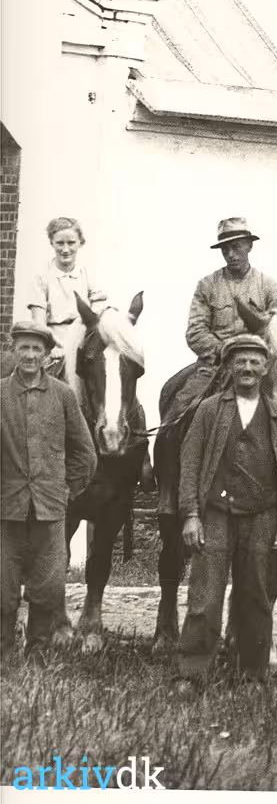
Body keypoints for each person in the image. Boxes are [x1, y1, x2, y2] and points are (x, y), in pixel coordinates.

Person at [173, 334, 277, 691]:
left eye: (254, 361)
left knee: (256, 598)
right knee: (204, 597)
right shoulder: (209, 410)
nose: (247, 368)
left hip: (262, 517)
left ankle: (253, 674)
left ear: (266, 368)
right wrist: (191, 514)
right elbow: (190, 465)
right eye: (240, 361)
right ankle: (192, 672)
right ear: (229, 367)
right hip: (216, 515)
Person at [0, 322, 96, 660]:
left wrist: (65, 490)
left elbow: (85, 454)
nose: (29, 355)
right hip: (6, 510)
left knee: (47, 583)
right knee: (3, 583)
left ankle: (37, 651)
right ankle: (4, 653)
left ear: (46, 355)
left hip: (50, 509)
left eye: (36, 349)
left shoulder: (63, 395)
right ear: (14, 351)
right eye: (23, 348)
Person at [186, 217, 277, 380]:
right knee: (184, 394)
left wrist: (255, 353)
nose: (230, 255)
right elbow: (195, 331)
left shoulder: (269, 286)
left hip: (257, 366)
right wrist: (221, 350)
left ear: (249, 246)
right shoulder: (207, 285)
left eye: (236, 247)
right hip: (216, 366)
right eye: (225, 250)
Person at [25, 217, 108, 385]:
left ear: (80, 243)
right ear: (52, 242)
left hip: (83, 343)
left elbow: (97, 313)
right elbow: (39, 321)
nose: (65, 249)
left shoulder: (87, 274)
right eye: (59, 243)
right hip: (54, 344)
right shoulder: (42, 276)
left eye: (71, 243)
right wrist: (52, 347)